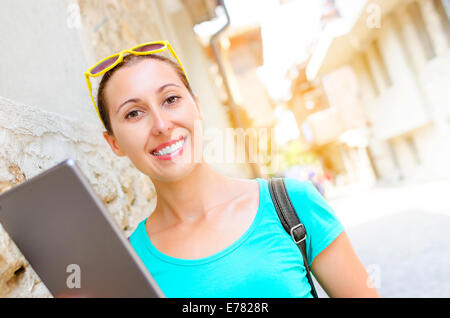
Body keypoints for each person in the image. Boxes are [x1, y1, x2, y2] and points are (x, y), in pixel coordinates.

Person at [84, 41, 380, 298]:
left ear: (197, 107)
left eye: (171, 99)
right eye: (134, 113)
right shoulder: (129, 267)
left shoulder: (292, 204)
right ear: (114, 143)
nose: (161, 125)